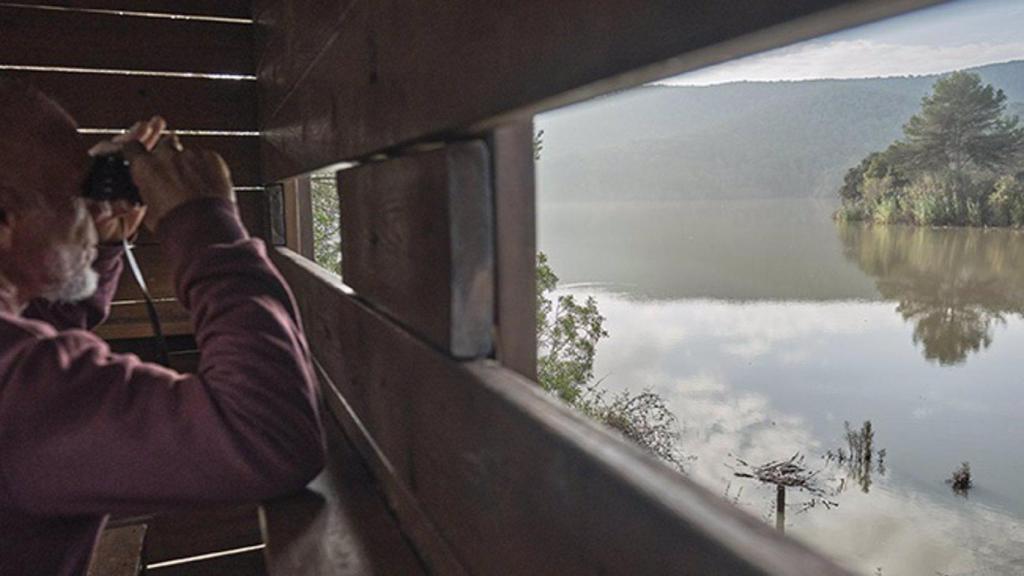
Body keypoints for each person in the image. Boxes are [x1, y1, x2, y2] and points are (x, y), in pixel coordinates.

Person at [0, 80, 325, 575]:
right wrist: (205, 224)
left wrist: (96, 246)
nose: (95, 209)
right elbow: (265, 435)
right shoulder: (18, 396)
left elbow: (27, 338)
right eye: (75, 193)